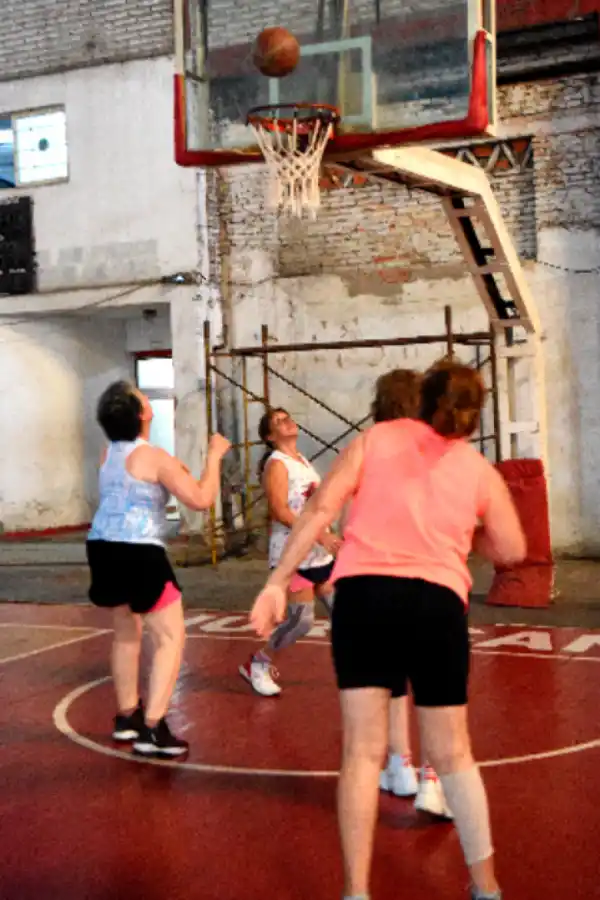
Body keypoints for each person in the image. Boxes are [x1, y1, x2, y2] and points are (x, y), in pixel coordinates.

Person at [250, 361, 526, 900]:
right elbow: (514, 550)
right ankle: (486, 886)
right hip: (436, 603)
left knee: (361, 755)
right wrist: (472, 537)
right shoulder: (475, 467)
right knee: (453, 755)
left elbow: (321, 510)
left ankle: (356, 892)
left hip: (364, 599)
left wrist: (278, 582)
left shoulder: (375, 439)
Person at [87, 380, 230, 758]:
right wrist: (214, 456)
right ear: (143, 414)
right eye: (143, 398)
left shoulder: (107, 455)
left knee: (126, 633)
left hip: (102, 546)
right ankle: (153, 727)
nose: (147, 400)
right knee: (170, 637)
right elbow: (201, 499)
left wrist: (172, 469)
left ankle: (126, 718)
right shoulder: (153, 457)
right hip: (138, 552)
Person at [370, 369, 451, 820]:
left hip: (380, 578)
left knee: (395, 680)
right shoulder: (437, 449)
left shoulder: (368, 449)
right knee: (436, 688)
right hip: (430, 575)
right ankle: (431, 782)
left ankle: (399, 765)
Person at [239, 407, 341, 697]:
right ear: (270, 436)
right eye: (279, 422)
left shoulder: (303, 462)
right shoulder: (277, 463)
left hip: (318, 552)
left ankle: (358, 666)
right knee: (301, 620)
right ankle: (258, 663)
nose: (287, 422)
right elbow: (281, 510)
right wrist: (319, 533)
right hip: (293, 552)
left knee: (344, 612)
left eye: (288, 417)